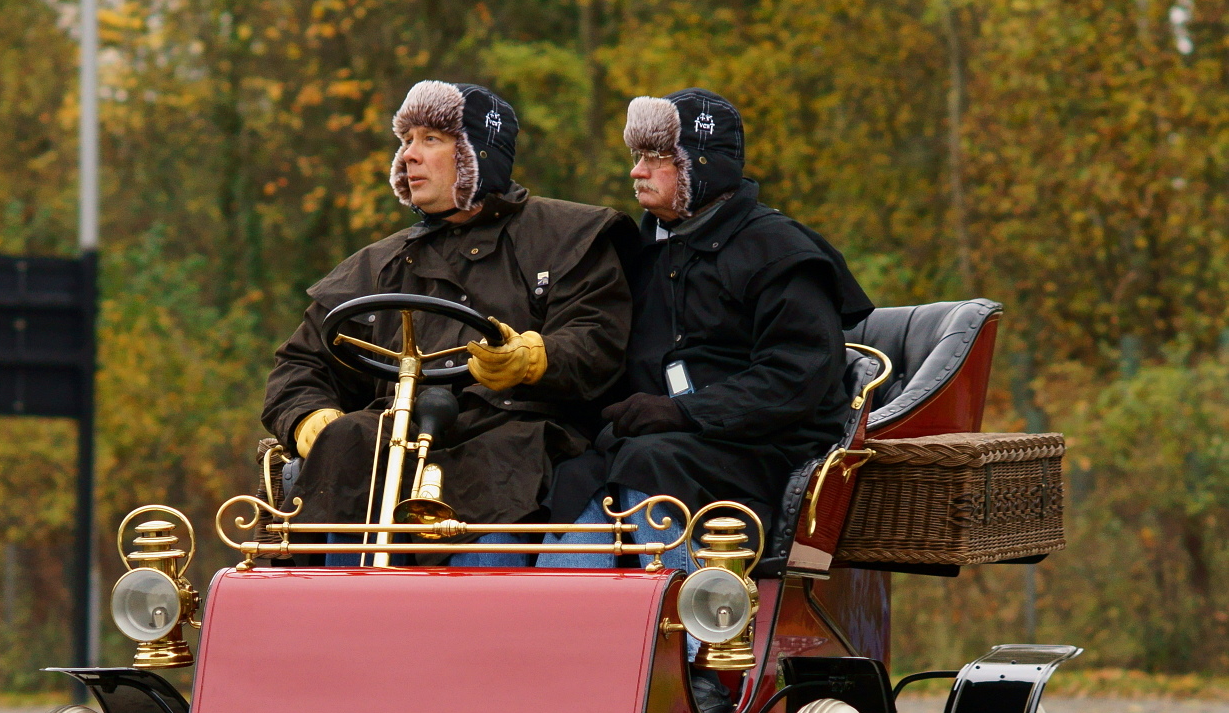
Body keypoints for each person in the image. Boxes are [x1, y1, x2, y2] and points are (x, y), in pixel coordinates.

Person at [261, 80, 638, 565]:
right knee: (347, 447)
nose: (408, 156)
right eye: (405, 140)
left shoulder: (569, 236)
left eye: (430, 140)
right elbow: (299, 366)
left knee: (490, 531)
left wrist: (534, 358)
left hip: (511, 454)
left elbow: (598, 340)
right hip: (382, 459)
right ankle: (337, 625)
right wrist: (310, 418)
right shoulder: (377, 265)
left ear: (476, 153)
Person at [540, 89, 874, 571]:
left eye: (657, 158)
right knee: (573, 476)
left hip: (768, 453)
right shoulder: (642, 253)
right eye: (638, 157)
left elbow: (797, 378)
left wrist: (684, 412)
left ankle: (696, 633)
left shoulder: (779, 251)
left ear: (702, 164)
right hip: (664, 448)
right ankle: (568, 633)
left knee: (648, 463)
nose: (637, 171)